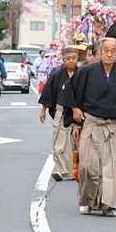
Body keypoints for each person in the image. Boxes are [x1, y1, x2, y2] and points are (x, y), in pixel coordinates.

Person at [60, 38, 116, 217]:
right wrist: (74, 109)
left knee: (110, 168)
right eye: (106, 50)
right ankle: (87, 200)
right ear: (100, 52)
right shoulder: (86, 72)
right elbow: (69, 91)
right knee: (88, 166)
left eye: (113, 51)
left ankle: (109, 204)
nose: (109, 54)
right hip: (91, 123)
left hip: (111, 126)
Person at [39, 47, 80, 181]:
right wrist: (43, 109)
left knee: (74, 143)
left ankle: (75, 170)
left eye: (74, 58)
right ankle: (61, 170)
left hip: (79, 112)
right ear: (63, 60)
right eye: (68, 59)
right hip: (61, 111)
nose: (71, 61)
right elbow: (48, 92)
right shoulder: (57, 75)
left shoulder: (82, 74)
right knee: (59, 142)